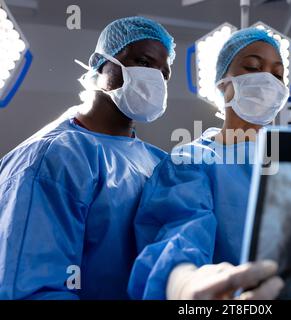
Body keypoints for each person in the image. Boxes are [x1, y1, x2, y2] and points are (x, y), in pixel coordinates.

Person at [0, 16, 176, 299]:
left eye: (164, 73)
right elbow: (31, 289)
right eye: (144, 62)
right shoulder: (51, 159)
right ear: (101, 62)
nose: (156, 78)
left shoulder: (157, 163)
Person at [128, 28, 290, 300]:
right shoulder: (191, 161)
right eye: (252, 67)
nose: (268, 82)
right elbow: (179, 233)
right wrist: (183, 282)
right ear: (222, 83)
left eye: (277, 75)